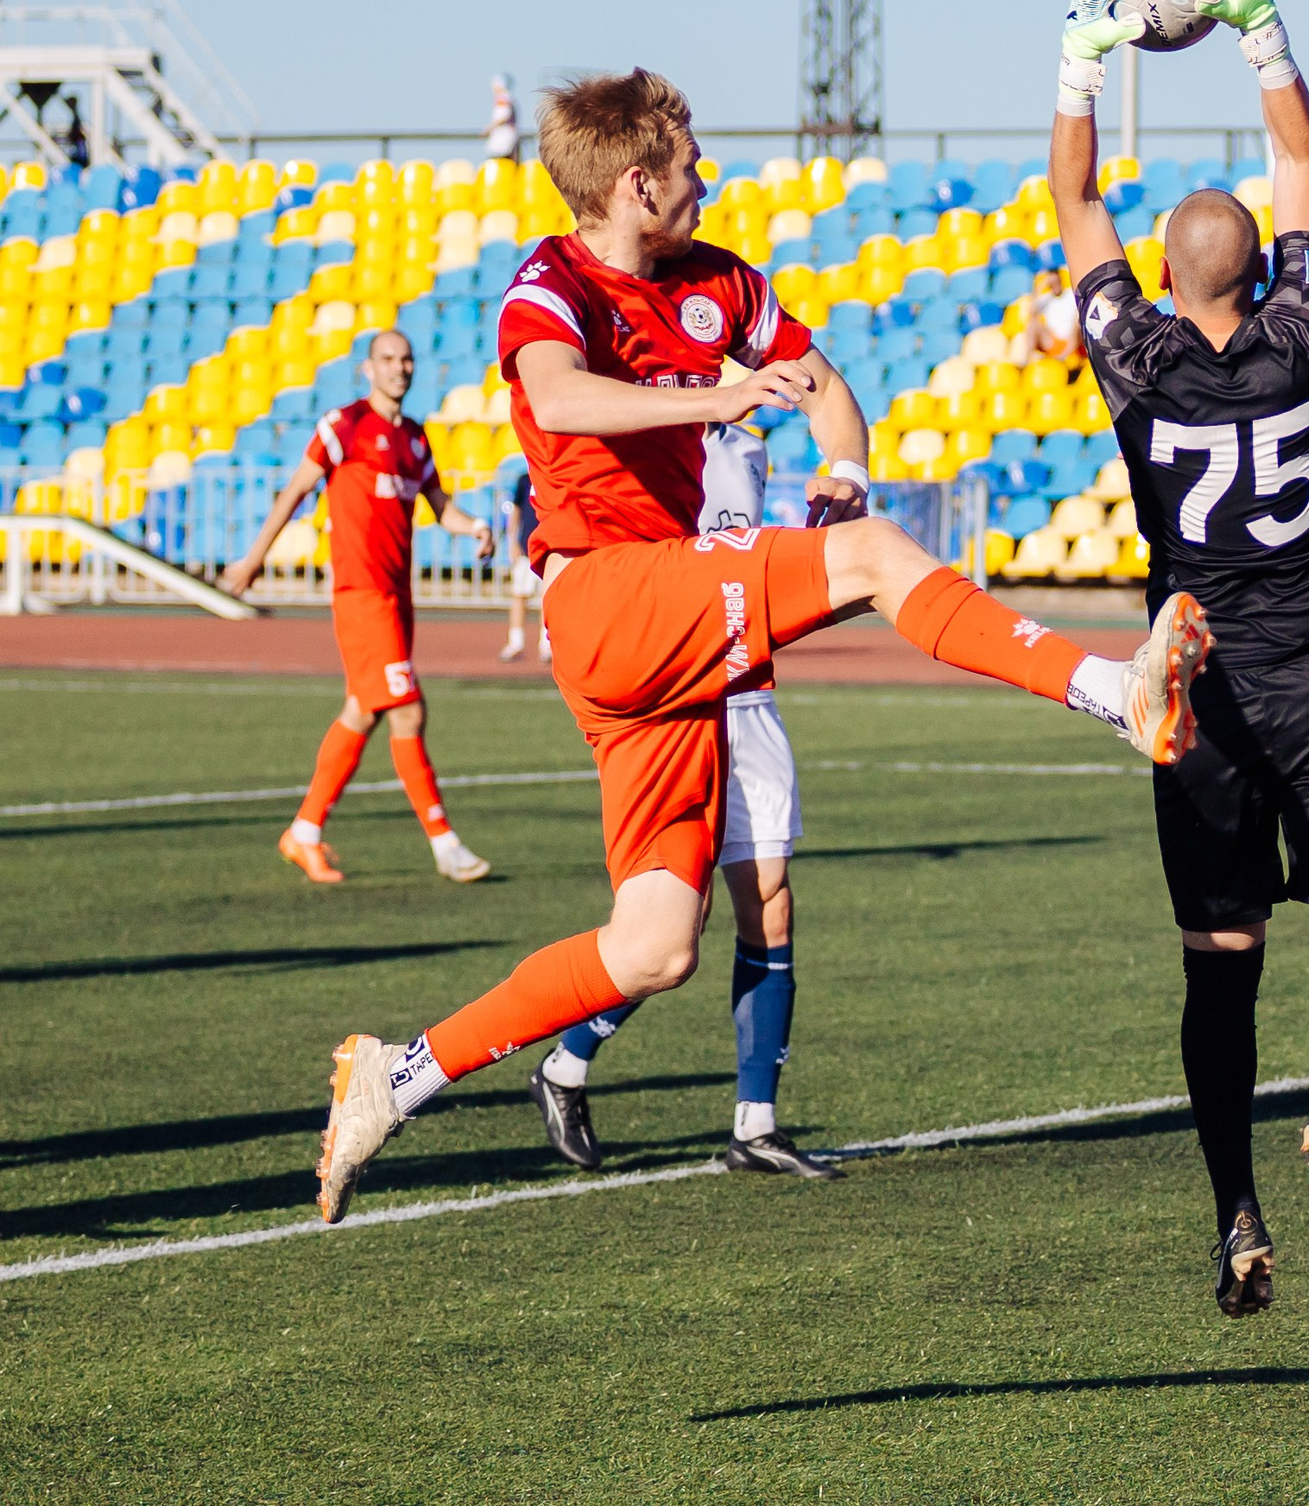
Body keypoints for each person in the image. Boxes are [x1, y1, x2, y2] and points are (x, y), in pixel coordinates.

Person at [311, 68, 1212, 1225]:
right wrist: (719, 400)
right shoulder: (551, 284)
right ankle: (1116, 691)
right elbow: (562, 397)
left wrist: (843, 465)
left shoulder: (720, 282)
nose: (708, 176)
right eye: (689, 163)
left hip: (668, 635)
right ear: (636, 185)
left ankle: (396, 1077)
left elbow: (826, 387)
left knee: (653, 949)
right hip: (610, 596)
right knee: (877, 561)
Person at [1054, 0, 1309, 1316]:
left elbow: (1076, 200)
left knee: (1221, 972)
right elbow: (1302, 167)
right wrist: (1260, 28)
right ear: (1265, 277)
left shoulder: (1134, 353)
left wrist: (1082, 59)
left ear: (1162, 281)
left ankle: (1234, 1212)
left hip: (1195, 687)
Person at [526, 416, 838, 1177]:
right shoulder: (630, 439)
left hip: (749, 697)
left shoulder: (748, 447)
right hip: (675, 702)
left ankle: (756, 1125)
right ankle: (567, 1061)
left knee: (770, 903)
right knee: (675, 923)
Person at [223, 329, 499, 885]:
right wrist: (253, 559)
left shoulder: (415, 438)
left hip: (397, 595)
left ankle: (304, 833)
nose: (400, 367)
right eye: (388, 359)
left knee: (363, 709)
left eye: (407, 358)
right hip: (361, 592)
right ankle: (445, 843)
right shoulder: (344, 425)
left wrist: (473, 526)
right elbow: (295, 491)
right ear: (368, 369)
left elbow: (438, 504)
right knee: (407, 711)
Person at [496, 458, 546, 662]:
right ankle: (516, 642)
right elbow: (515, 511)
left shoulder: (551, 479)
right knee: (519, 595)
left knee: (546, 598)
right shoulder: (525, 480)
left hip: (547, 550)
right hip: (526, 548)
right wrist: (512, 542)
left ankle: (546, 643)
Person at [1007, 266, 1082, 367]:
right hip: (1053, 341)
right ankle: (1027, 361)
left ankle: (1066, 355)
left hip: (1073, 341)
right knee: (1033, 322)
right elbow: (1032, 311)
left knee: (1078, 319)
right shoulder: (1046, 299)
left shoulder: (1070, 294)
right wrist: (1041, 286)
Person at [485, 74, 521, 162]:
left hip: (503, 137)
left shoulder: (502, 99)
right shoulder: (509, 97)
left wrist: (489, 128)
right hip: (508, 136)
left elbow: (503, 116)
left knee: (499, 161)